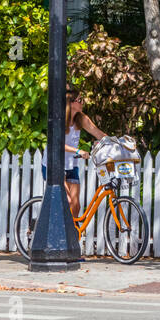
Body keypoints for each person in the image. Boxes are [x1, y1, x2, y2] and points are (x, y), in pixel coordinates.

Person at [43, 87, 106, 220]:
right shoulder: (58, 120)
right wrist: (78, 150)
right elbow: (56, 144)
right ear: (71, 103)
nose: (82, 103)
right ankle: (55, 231)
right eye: (80, 100)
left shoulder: (81, 119)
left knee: (76, 205)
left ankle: (72, 234)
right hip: (53, 164)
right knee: (68, 202)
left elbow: (98, 133)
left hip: (71, 164)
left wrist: (115, 143)